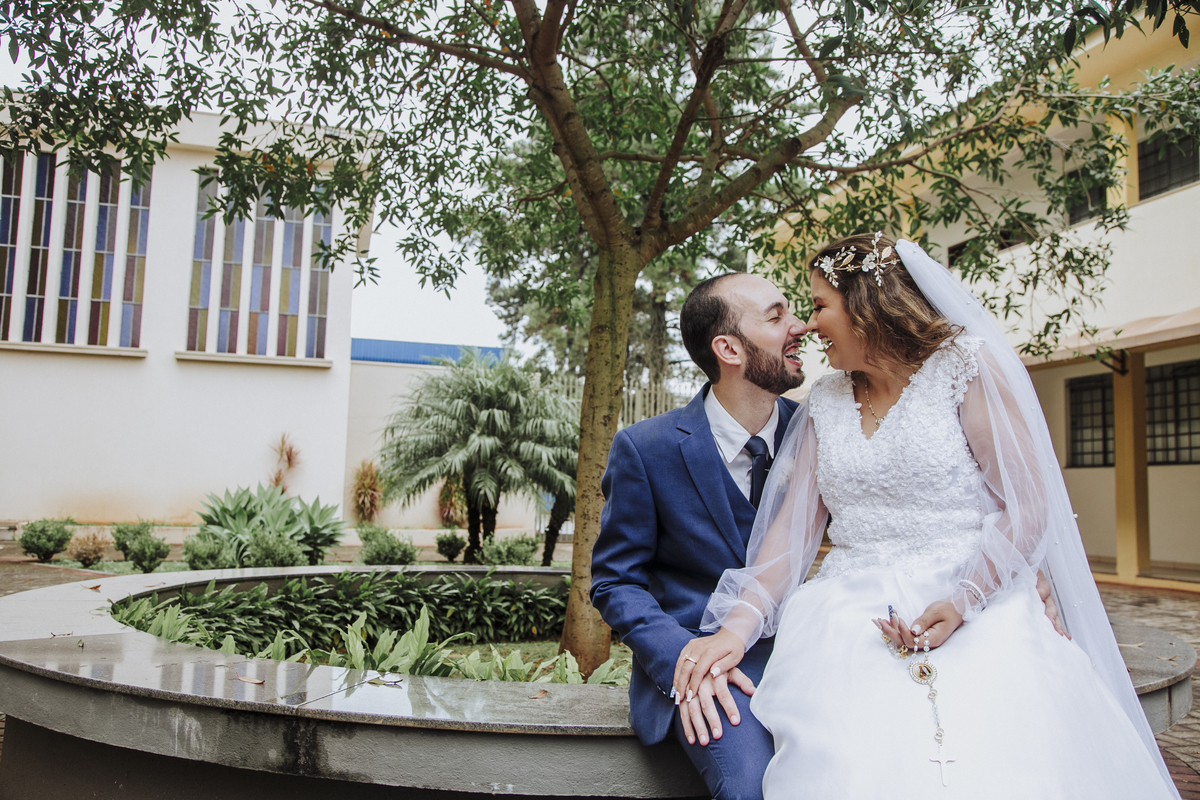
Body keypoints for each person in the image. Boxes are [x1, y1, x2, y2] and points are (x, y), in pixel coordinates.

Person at [674, 234, 1180, 798]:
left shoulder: (966, 369)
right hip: (847, 615)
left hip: (976, 599)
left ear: (865, 305)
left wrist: (966, 599)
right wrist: (734, 630)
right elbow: (789, 539)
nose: (810, 326)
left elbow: (1028, 505)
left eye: (818, 306)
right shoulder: (825, 401)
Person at [590, 272, 808, 800]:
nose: (799, 325)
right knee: (752, 788)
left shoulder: (818, 432)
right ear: (728, 349)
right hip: (704, 663)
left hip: (808, 655)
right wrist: (686, 660)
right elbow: (615, 581)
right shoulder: (646, 448)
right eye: (777, 316)